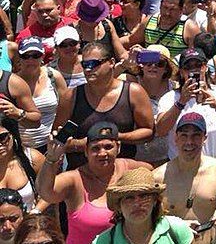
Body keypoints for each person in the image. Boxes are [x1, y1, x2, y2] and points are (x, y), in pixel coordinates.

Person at [36, 122, 152, 244]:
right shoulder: (75, 179)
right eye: (95, 148)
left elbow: (158, 178)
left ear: (118, 147)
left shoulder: (130, 168)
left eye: (108, 147)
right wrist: (52, 159)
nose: (102, 153)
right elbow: (46, 192)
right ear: (86, 151)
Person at [53, 41, 153, 169]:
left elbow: (148, 132)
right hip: (82, 175)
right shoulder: (71, 96)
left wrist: (116, 137)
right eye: (84, 65)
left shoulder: (133, 92)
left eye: (94, 64)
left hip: (121, 174)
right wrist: (84, 144)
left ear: (111, 62)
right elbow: (57, 138)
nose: (88, 69)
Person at [152, 113, 216, 244]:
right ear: (176, 138)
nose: (189, 142)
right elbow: (147, 219)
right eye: (184, 135)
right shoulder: (158, 177)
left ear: (204, 138)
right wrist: (177, 225)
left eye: (196, 135)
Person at [155, 48, 216, 161]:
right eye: (188, 67)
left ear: (206, 67)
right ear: (182, 72)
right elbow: (161, 130)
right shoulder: (170, 98)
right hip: (181, 168)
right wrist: (181, 102)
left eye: (198, 65)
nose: (194, 70)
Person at [92, 167, 193, 244]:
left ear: (155, 200)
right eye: (129, 198)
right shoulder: (104, 241)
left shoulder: (175, 229)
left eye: (143, 196)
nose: (137, 204)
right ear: (119, 206)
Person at [15, 37, 67, 151]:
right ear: (19, 58)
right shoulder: (12, 82)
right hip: (22, 147)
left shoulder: (54, 76)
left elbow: (66, 108)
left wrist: (58, 135)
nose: (31, 60)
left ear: (42, 56)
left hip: (51, 144)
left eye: (35, 55)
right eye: (26, 56)